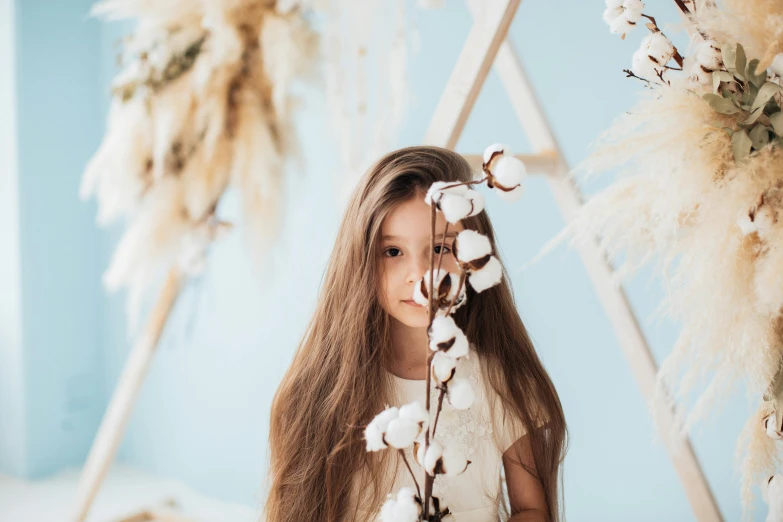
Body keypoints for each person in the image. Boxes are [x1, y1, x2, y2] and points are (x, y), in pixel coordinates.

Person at [264, 146, 567, 522]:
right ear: (359, 260)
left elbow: (532, 509)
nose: (420, 274)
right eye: (392, 251)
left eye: (440, 248)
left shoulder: (503, 382)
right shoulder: (320, 390)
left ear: (476, 254)